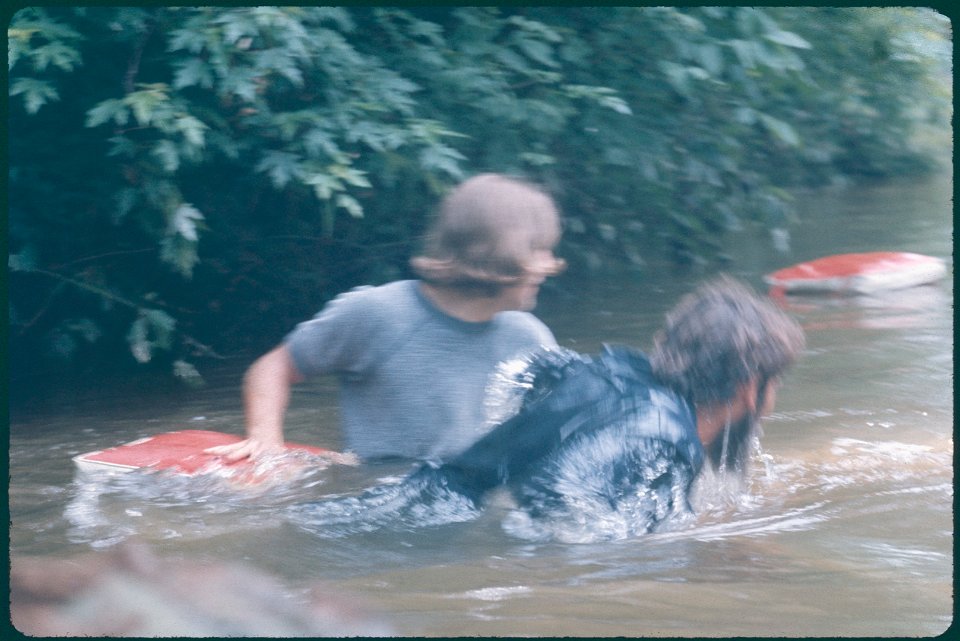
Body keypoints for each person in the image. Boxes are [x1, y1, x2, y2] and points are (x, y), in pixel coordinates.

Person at [290, 277, 805, 541]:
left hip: (420, 496)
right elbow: (576, 530)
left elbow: (533, 381)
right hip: (427, 535)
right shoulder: (662, 438)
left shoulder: (614, 373)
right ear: (748, 388)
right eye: (777, 382)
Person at [211, 173, 566, 463]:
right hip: (376, 500)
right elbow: (273, 368)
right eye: (541, 251)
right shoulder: (378, 314)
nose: (552, 265)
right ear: (503, 253)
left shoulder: (530, 339)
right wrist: (266, 443)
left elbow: (554, 437)